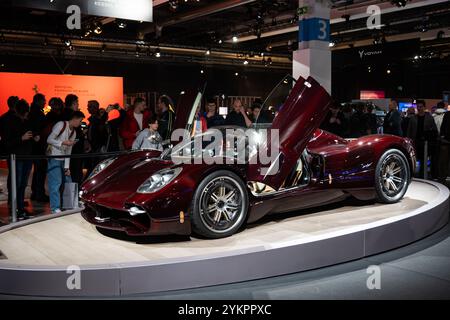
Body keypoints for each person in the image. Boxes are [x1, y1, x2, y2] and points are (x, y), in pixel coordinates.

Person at [47, 111, 85, 214]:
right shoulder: (61, 125)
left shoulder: (74, 132)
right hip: (54, 157)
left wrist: (67, 167)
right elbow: (49, 139)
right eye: (80, 120)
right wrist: (62, 142)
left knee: (68, 181)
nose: (80, 123)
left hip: (64, 159)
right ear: (75, 118)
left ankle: (69, 205)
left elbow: (69, 150)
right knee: (56, 183)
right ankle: (55, 208)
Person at [3, 99, 35, 219]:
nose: (27, 114)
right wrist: (21, 138)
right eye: (26, 112)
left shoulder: (27, 122)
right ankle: (15, 208)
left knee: (23, 183)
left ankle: (21, 208)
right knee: (16, 182)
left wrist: (34, 137)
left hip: (27, 156)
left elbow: (30, 136)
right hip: (16, 157)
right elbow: (7, 143)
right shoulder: (9, 122)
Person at [406, 100, 438, 178]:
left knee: (424, 160)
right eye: (418, 107)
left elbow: (434, 130)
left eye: (421, 107)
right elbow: (409, 131)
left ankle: (422, 176)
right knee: (413, 159)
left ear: (424, 107)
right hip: (415, 142)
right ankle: (412, 175)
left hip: (425, 143)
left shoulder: (429, 118)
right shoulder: (413, 118)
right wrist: (409, 141)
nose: (419, 108)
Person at [28, 93, 49, 202]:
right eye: (43, 100)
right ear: (38, 101)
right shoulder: (38, 114)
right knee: (40, 170)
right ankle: (39, 194)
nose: (45, 102)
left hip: (34, 147)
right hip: (39, 147)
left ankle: (35, 192)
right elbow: (40, 129)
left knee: (38, 171)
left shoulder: (32, 112)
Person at [0, 96, 19, 203]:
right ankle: (13, 199)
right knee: (16, 175)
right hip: (15, 149)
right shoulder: (13, 118)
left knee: (13, 174)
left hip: (8, 149)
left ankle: (13, 199)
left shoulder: (3, 117)